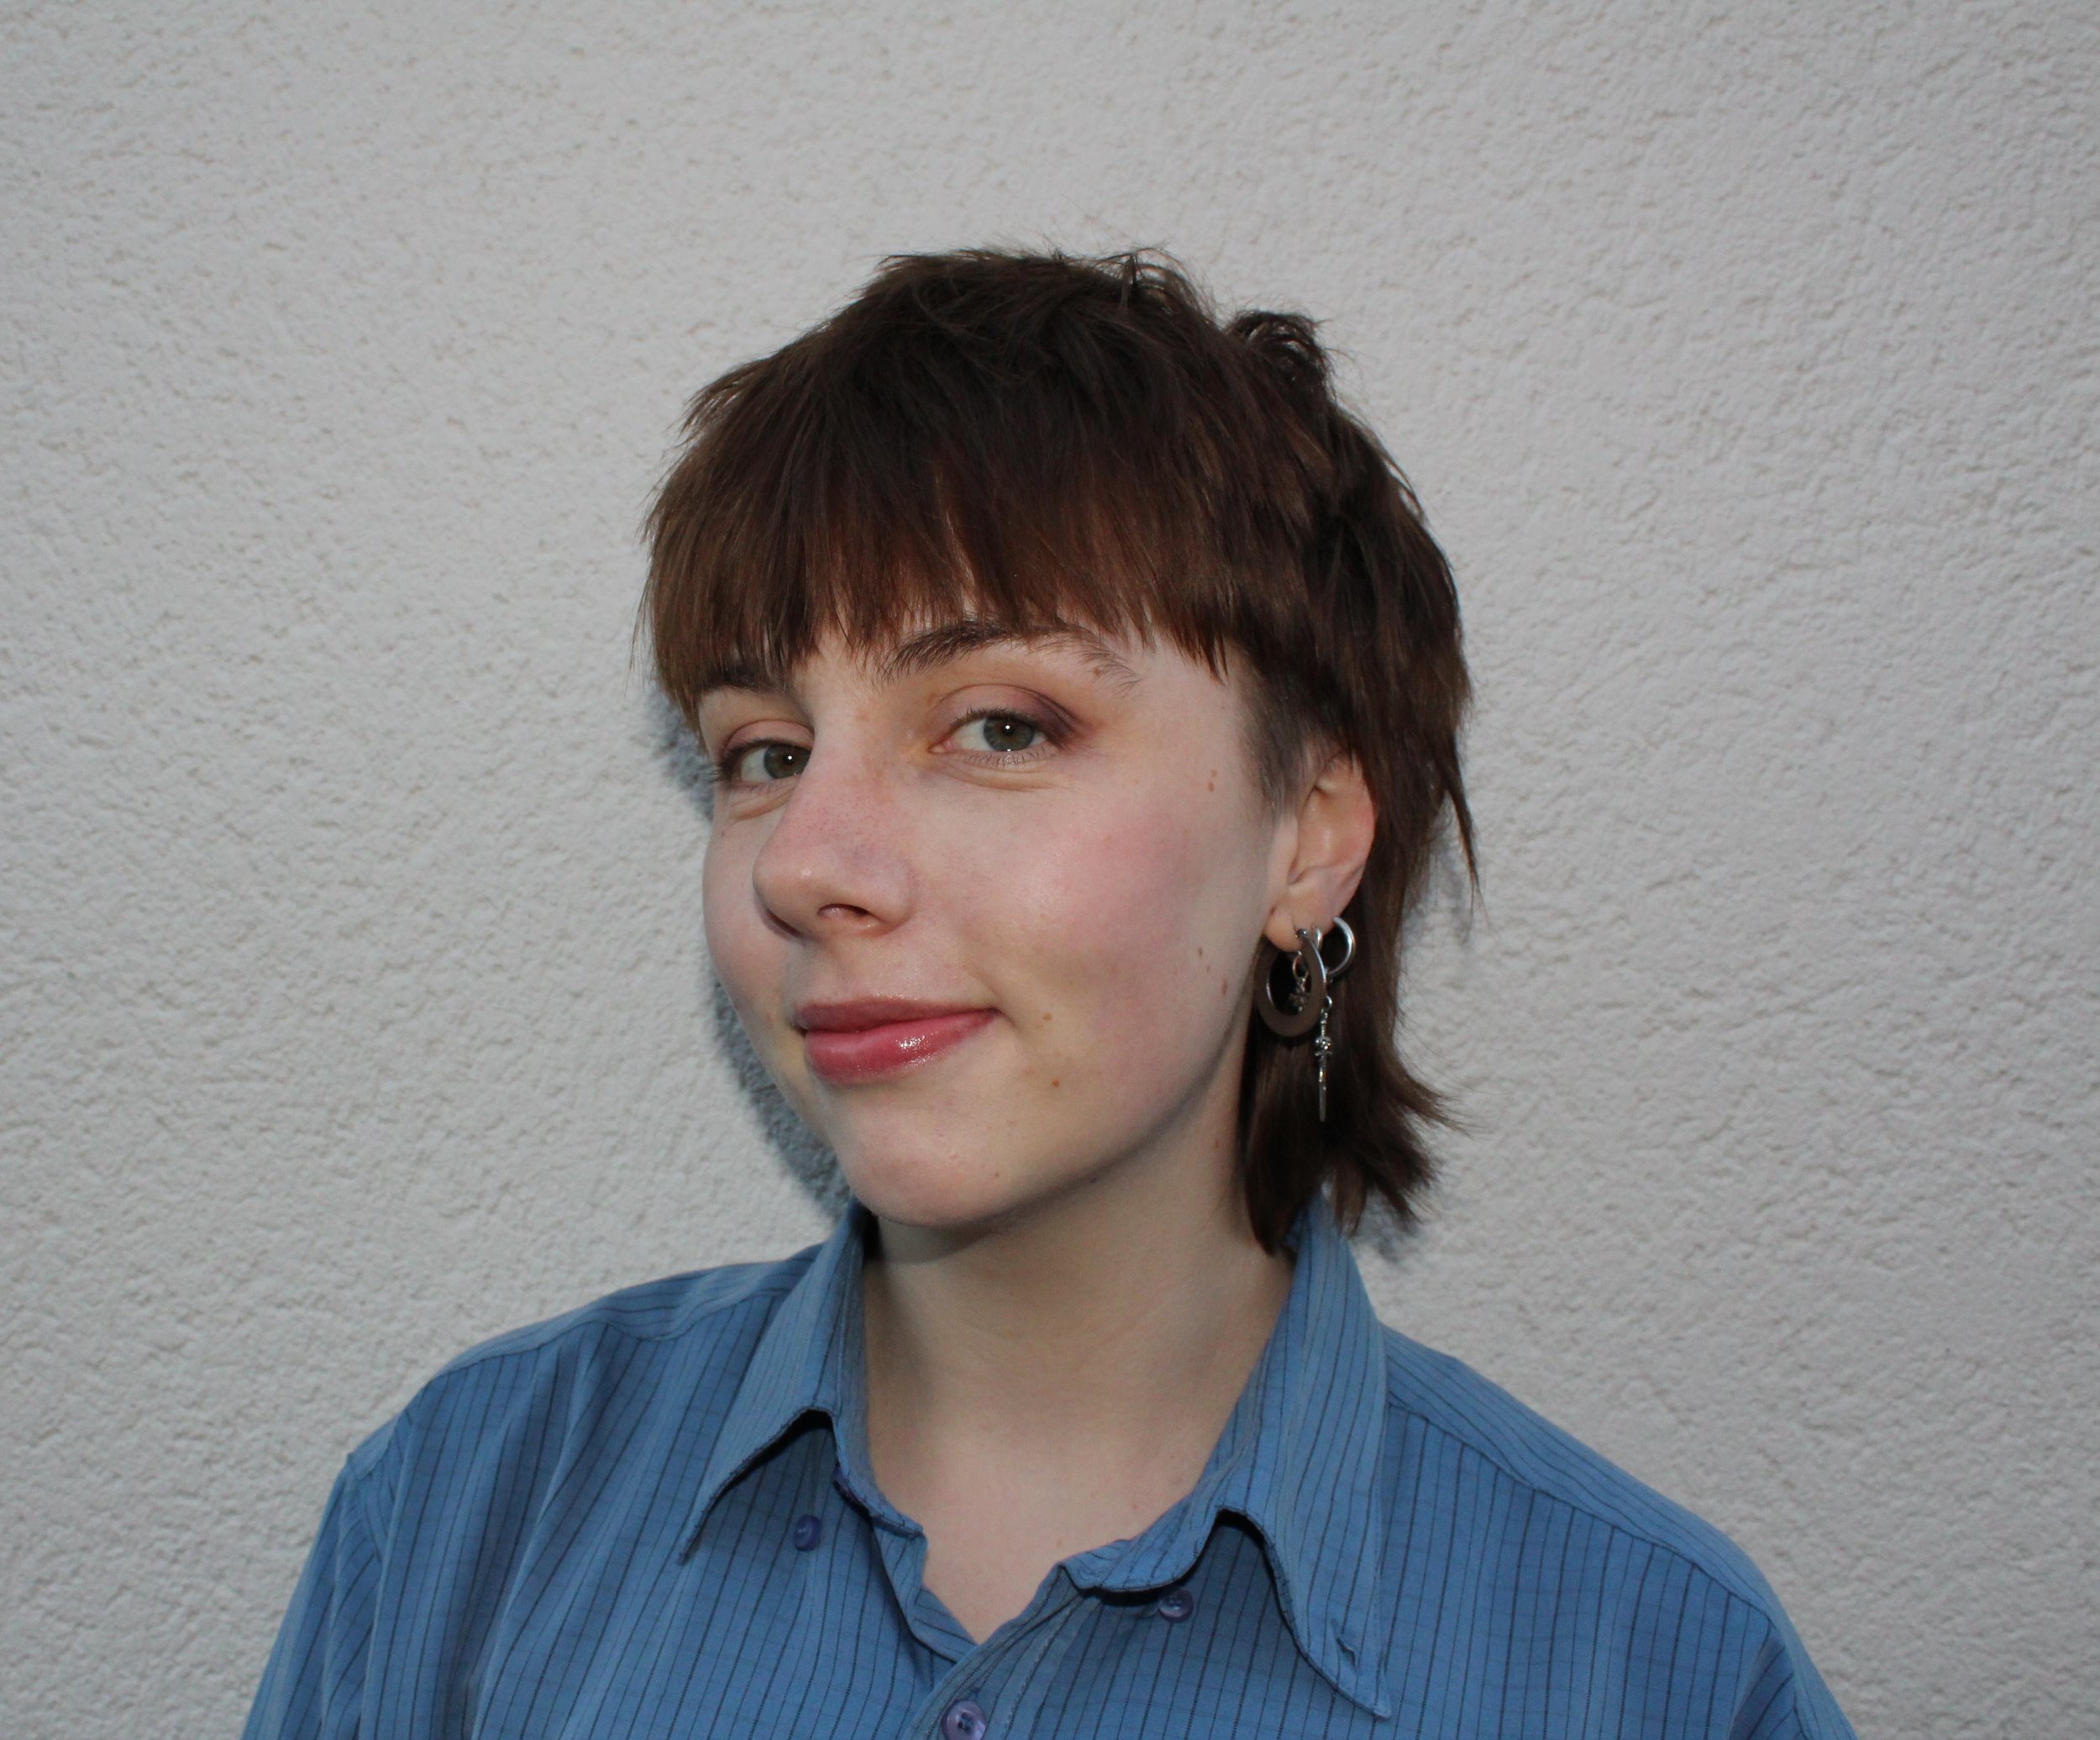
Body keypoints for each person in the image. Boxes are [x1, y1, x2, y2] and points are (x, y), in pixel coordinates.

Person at [243, 247, 1855, 1738]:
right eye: (765, 752)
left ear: (1308, 839)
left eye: (999, 725)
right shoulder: (465, 1516)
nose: (807, 858)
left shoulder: (1658, 1672)